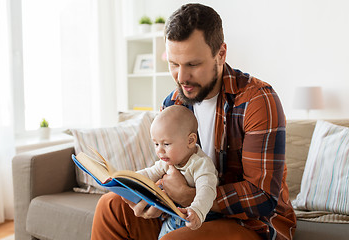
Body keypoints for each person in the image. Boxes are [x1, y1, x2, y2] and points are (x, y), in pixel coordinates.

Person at [91, 3, 296, 240]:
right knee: (110, 207)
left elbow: (262, 198)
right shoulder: (173, 103)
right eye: (174, 64)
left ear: (221, 53)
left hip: (250, 225)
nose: (181, 77)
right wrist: (157, 197)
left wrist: (189, 196)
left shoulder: (258, 100)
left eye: (192, 64)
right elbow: (170, 169)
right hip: (186, 215)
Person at [136, 105, 218, 239]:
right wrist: (128, 178)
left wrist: (197, 211)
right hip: (173, 219)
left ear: (190, 141)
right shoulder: (168, 161)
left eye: (166, 144)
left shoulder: (200, 164)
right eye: (156, 144)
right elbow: (150, 173)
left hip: (201, 220)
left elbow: (207, 190)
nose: (159, 151)